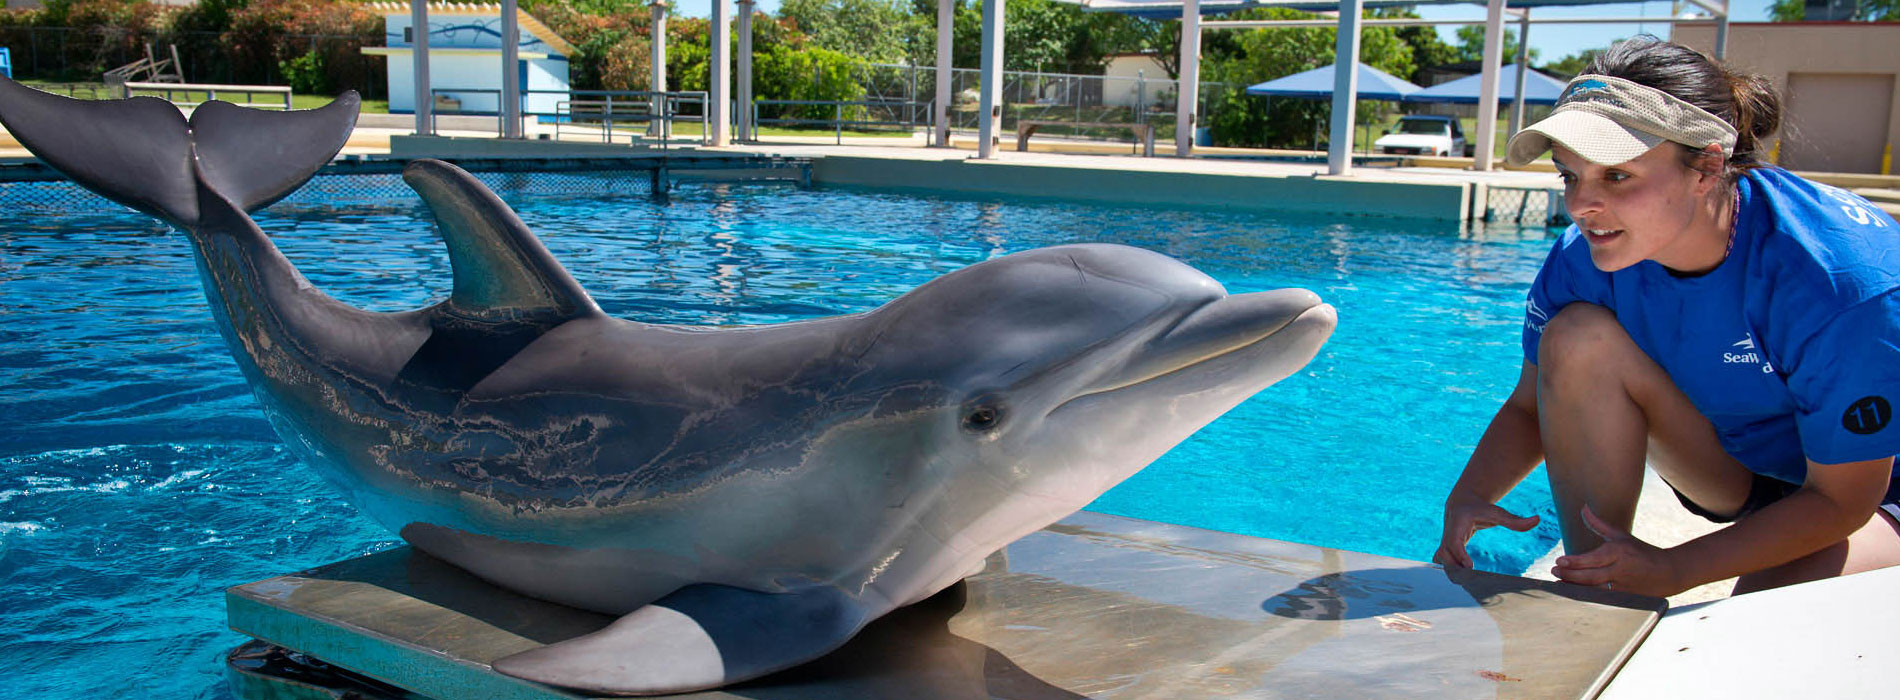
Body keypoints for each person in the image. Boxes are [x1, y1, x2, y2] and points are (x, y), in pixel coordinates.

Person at [1434, 37, 1900, 598]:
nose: (1580, 206)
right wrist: (1469, 495)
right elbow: (1531, 406)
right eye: (1569, 176)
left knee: (1755, 612)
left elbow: (1842, 499)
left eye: (1616, 176)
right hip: (1744, 473)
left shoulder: (1840, 278)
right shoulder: (1585, 258)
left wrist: (1675, 569)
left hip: (1876, 488)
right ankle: (1598, 581)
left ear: (1707, 166)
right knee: (1577, 337)